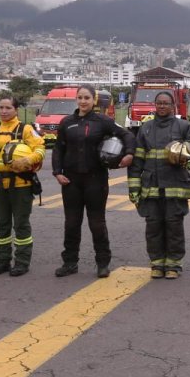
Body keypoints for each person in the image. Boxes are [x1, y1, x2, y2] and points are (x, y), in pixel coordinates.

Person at [50, 86, 134, 278]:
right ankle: (70, 262)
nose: (83, 101)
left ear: (94, 99)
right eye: (79, 98)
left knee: (96, 223)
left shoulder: (103, 121)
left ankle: (103, 263)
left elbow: (127, 135)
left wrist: (129, 154)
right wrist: (57, 172)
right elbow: (58, 149)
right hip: (71, 181)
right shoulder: (67, 122)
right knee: (71, 223)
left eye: (87, 97)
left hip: (96, 179)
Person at [128, 91, 190, 279]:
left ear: (173, 105)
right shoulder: (146, 129)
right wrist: (134, 188)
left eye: (166, 103)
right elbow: (137, 162)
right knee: (153, 227)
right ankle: (157, 264)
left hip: (175, 188)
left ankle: (174, 265)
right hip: (151, 188)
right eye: (159, 103)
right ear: (155, 105)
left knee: (174, 228)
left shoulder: (183, 126)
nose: (162, 106)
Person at [0, 95, 47, 278]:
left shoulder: (26, 129)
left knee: (21, 225)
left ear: (16, 110)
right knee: (1, 225)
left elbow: (40, 149)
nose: (4, 111)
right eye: (1, 107)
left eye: (8, 107)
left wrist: (28, 159)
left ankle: (22, 262)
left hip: (20, 185)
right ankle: (2, 261)